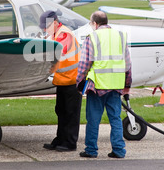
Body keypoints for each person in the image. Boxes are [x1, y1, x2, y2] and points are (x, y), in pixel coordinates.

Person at [76, 11, 131, 159]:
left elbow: (84, 63)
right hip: (116, 85)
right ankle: (119, 150)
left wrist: (78, 82)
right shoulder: (120, 36)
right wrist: (127, 84)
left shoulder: (92, 37)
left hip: (98, 85)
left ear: (95, 23)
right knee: (115, 118)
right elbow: (127, 63)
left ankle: (91, 150)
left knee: (93, 119)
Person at [39, 10, 82, 152]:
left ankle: (70, 143)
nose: (45, 30)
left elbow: (58, 52)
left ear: (56, 23)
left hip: (72, 81)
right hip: (63, 81)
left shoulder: (65, 34)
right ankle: (60, 139)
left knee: (71, 113)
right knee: (61, 111)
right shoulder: (55, 34)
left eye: (47, 27)